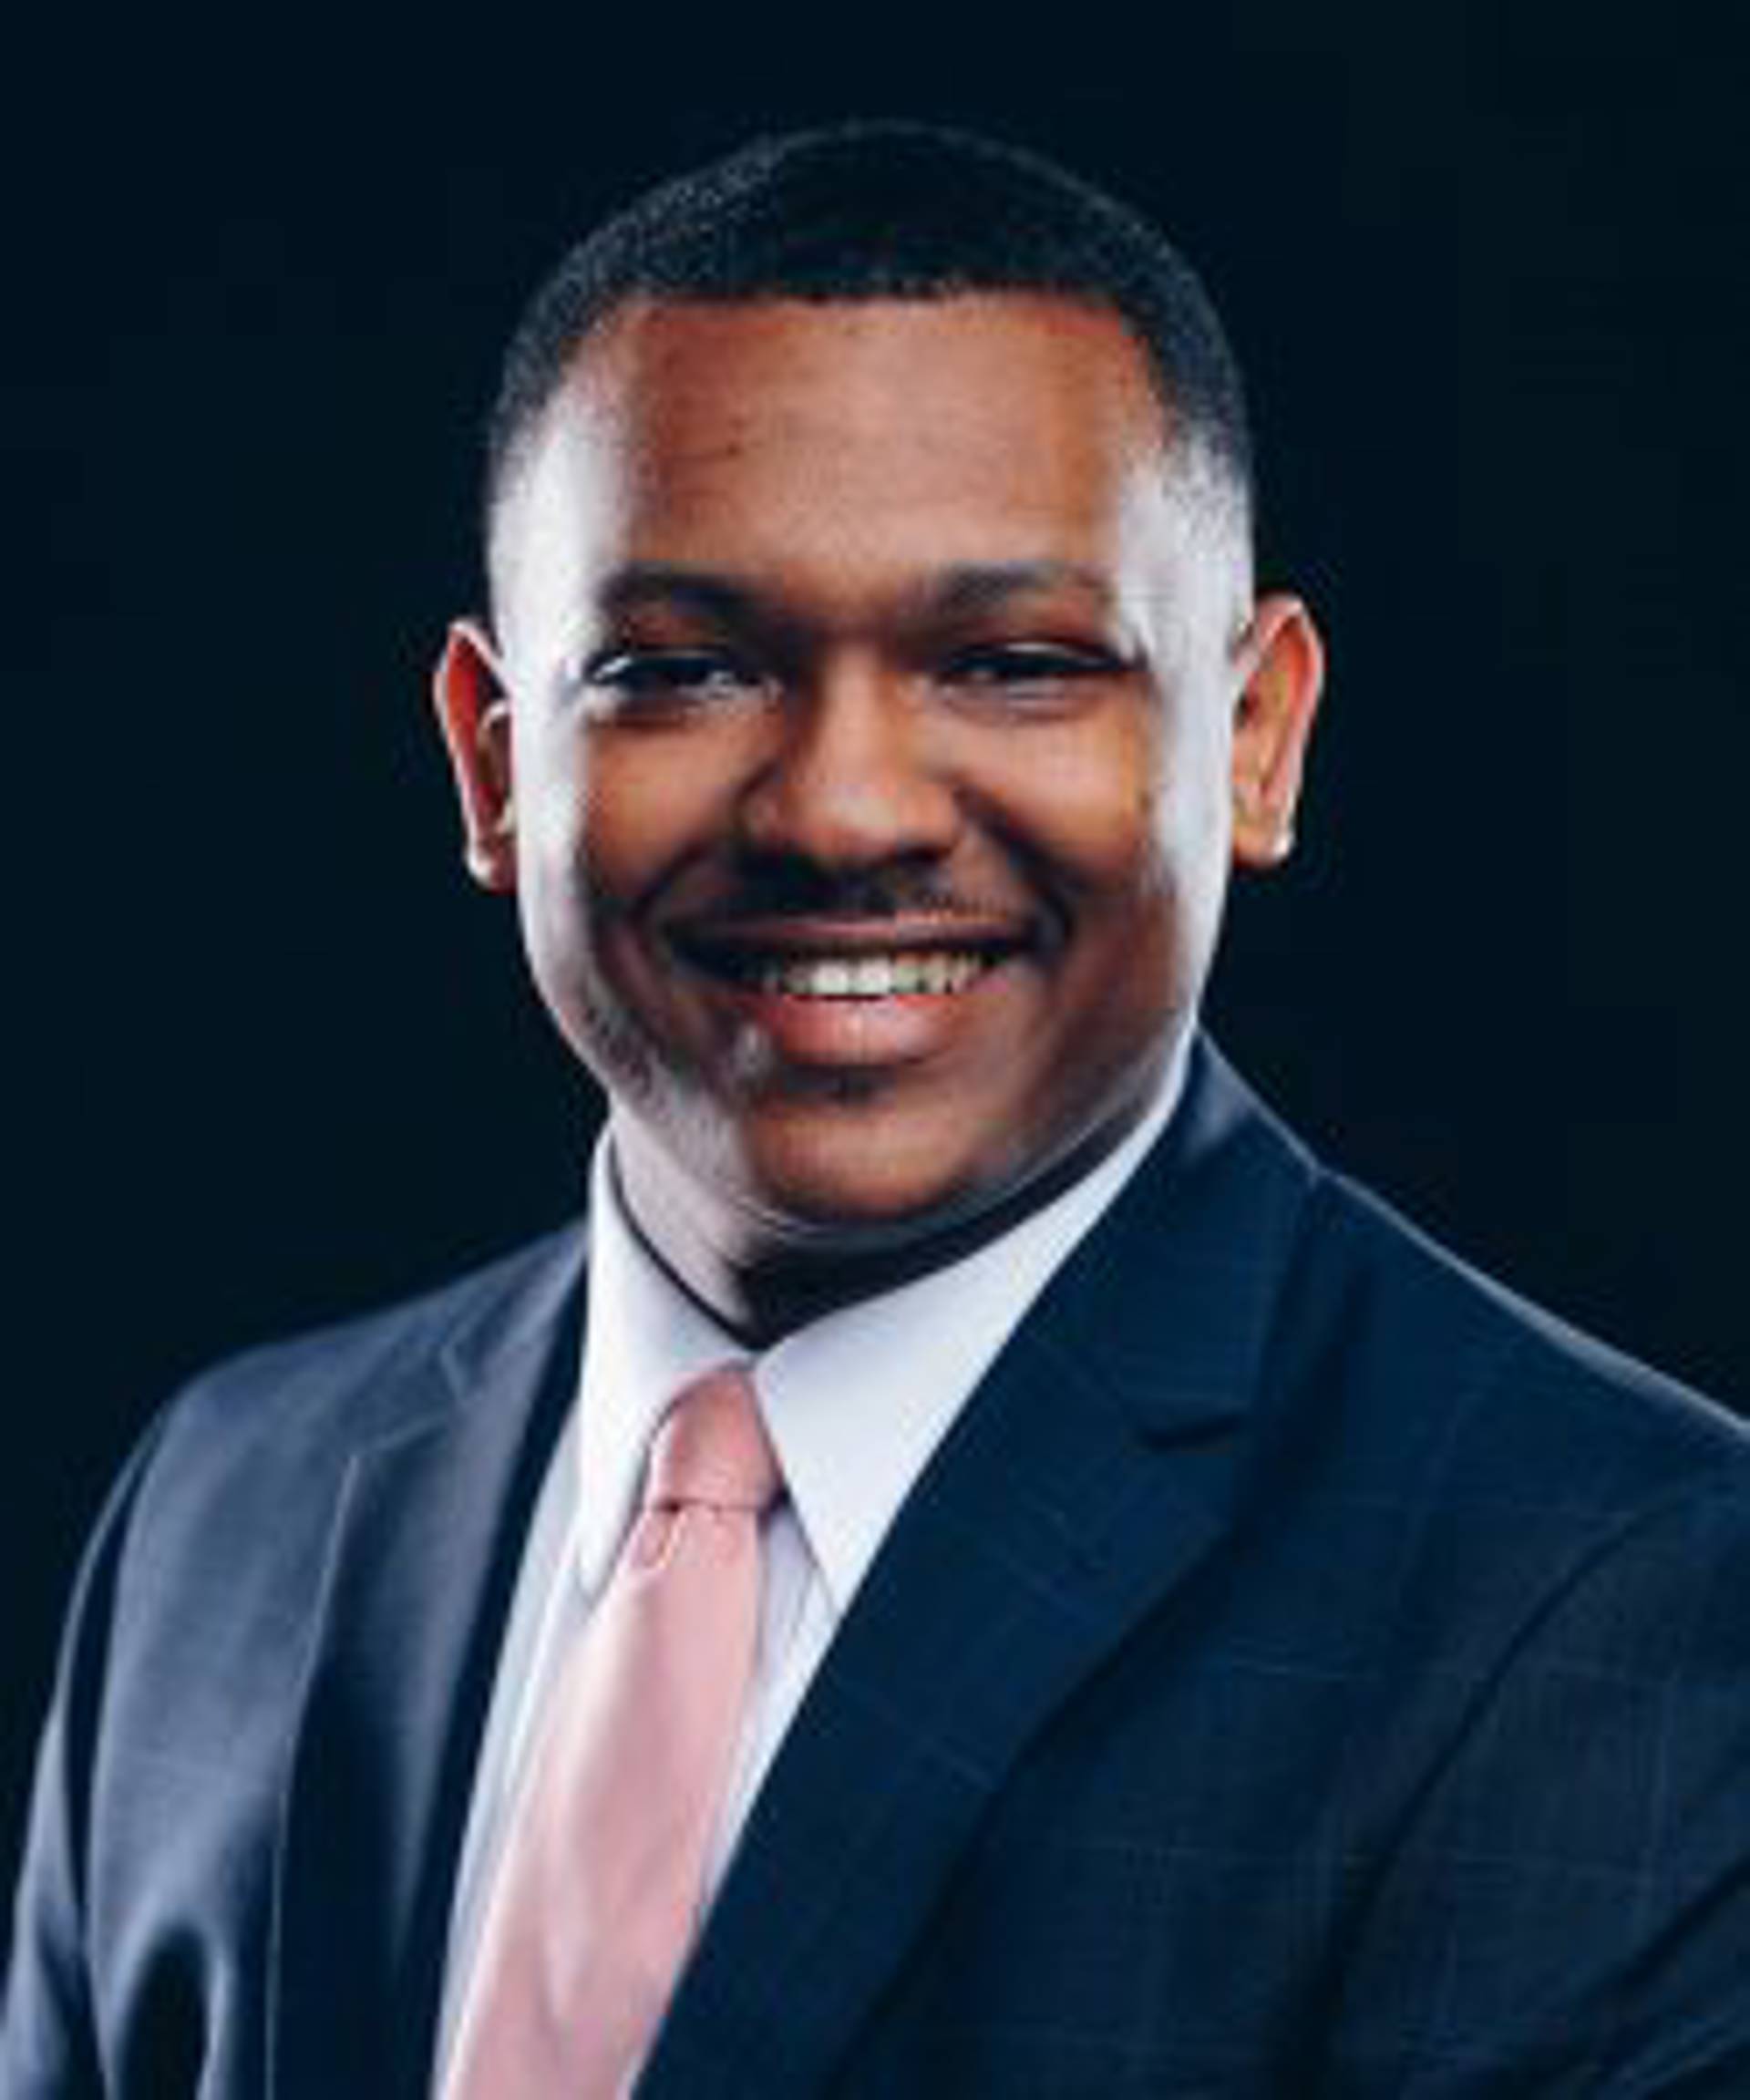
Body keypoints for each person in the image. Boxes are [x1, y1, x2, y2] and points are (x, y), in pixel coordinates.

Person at [5, 118, 1749, 2099]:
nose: (843, 810)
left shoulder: (1629, 1616)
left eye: (1011, 663)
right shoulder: (227, 1509)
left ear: (1254, 741)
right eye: (680, 670)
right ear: (493, 767)